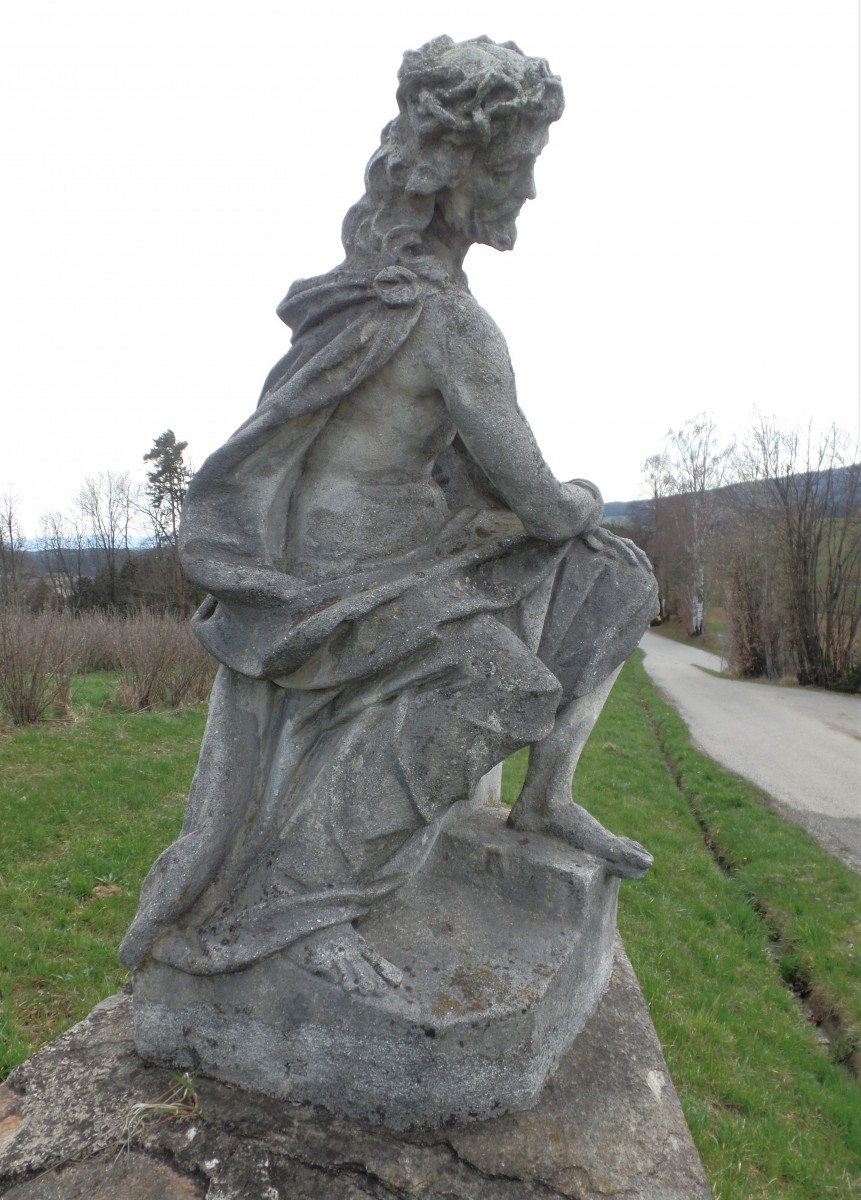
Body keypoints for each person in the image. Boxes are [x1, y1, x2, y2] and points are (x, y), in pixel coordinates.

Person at [121, 36, 658, 995]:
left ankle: (545, 802)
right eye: (516, 165)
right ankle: (294, 909)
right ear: (458, 174)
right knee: (503, 681)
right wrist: (576, 499)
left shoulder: (375, 296)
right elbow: (535, 494)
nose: (528, 190)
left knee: (611, 576)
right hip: (352, 582)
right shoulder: (449, 321)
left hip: (373, 552)